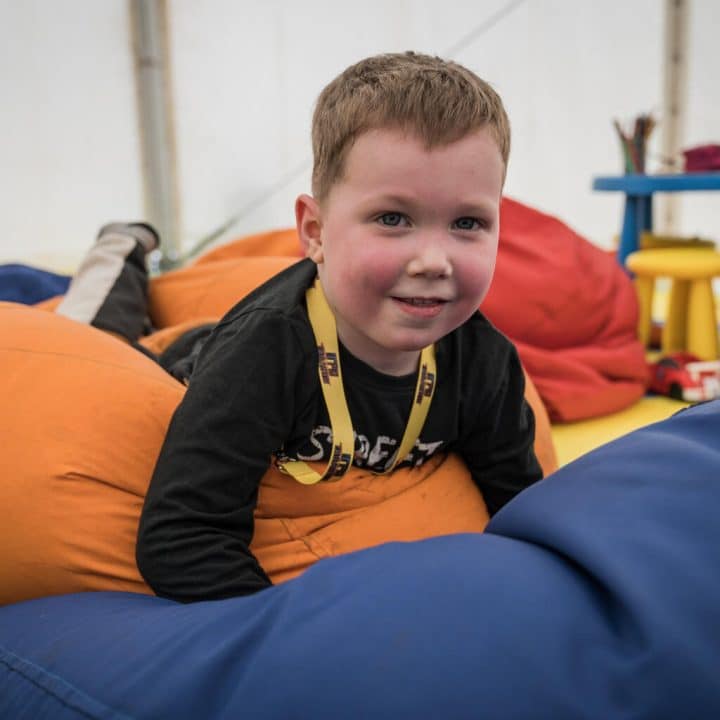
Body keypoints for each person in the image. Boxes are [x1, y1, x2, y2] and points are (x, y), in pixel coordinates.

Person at [135, 51, 543, 602]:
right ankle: (125, 253)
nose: (432, 260)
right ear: (315, 230)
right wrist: (289, 641)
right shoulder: (263, 355)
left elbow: (521, 505)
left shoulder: (484, 362)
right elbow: (181, 535)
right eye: (392, 219)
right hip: (192, 354)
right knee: (112, 328)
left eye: (467, 222)